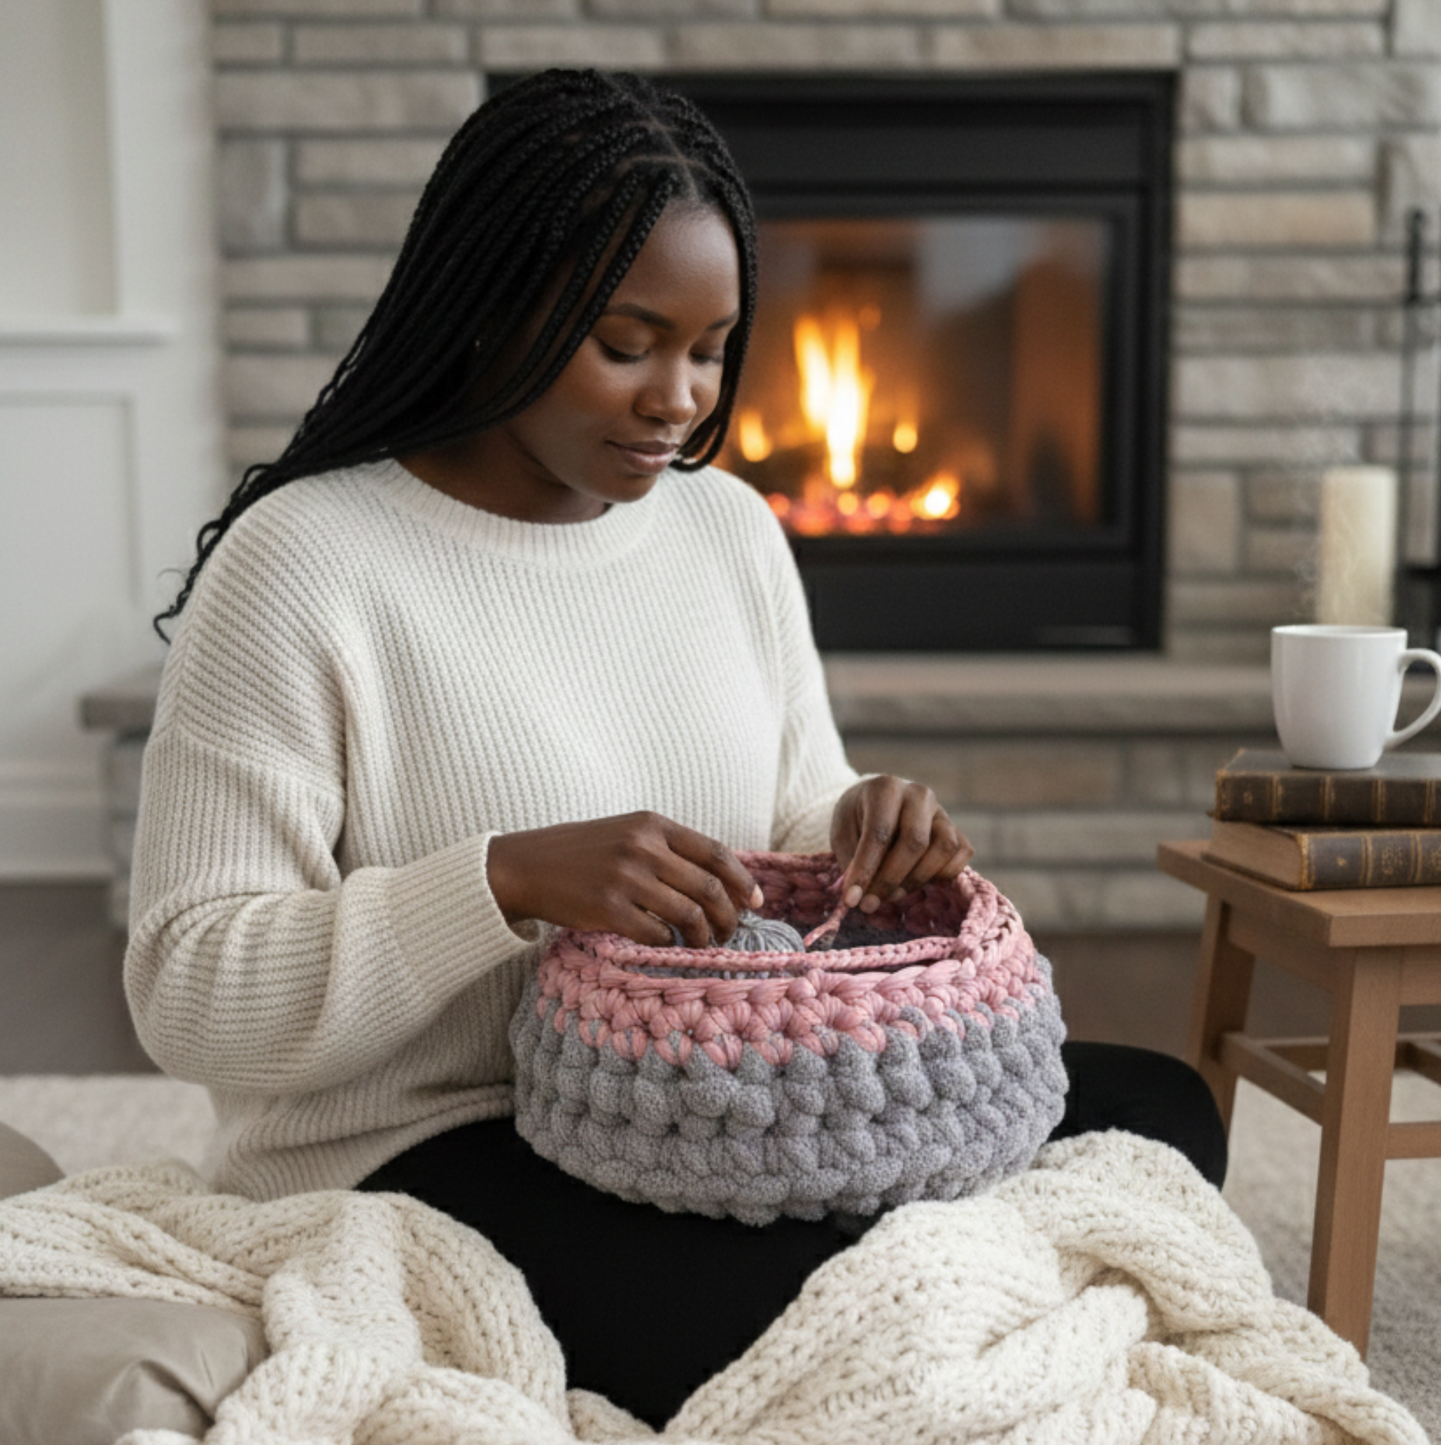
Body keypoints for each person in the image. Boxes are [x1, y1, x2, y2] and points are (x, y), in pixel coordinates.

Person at [127, 69, 1225, 1427]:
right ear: (490, 302)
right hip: (425, 1141)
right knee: (825, 1312)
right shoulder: (302, 567)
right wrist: (504, 883)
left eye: (710, 351)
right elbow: (185, 989)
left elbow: (795, 804)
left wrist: (865, 826)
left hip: (707, 1098)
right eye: (628, 342)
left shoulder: (729, 532)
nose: (679, 400)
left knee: (1160, 1112)